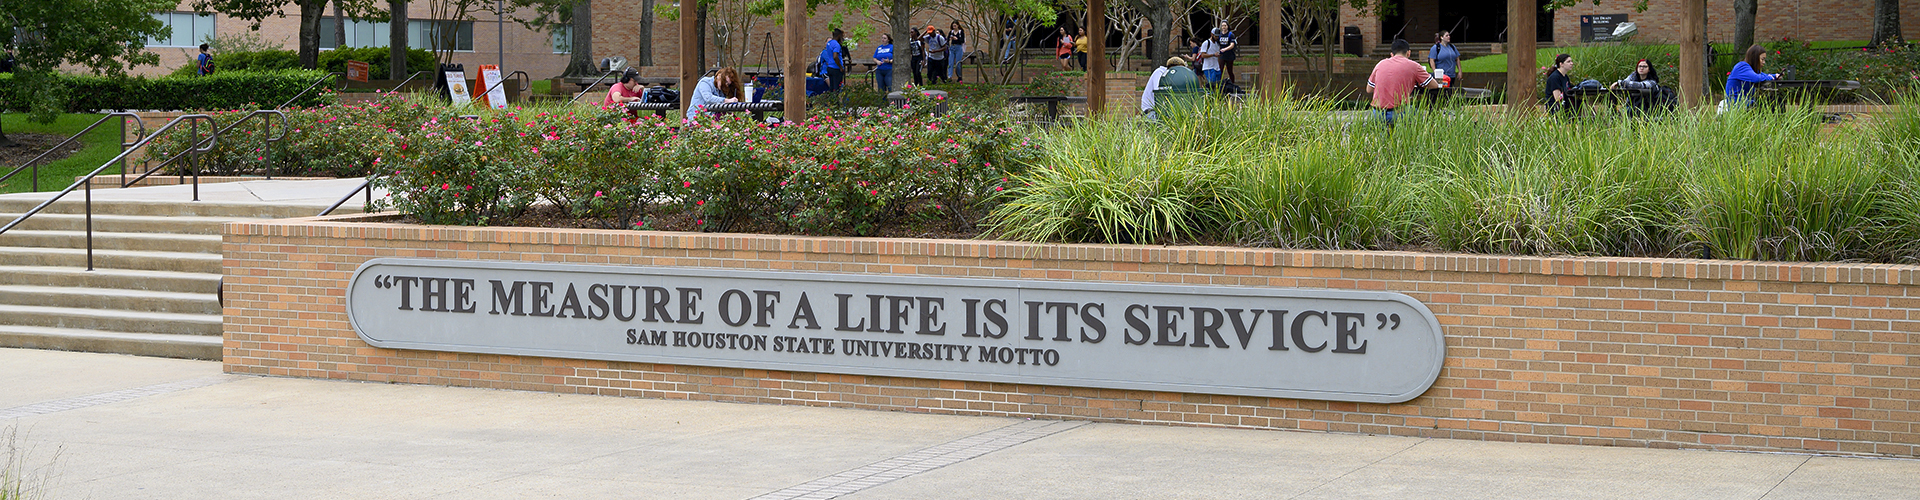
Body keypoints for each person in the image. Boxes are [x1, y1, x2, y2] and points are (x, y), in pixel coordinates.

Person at [1365, 39, 1440, 126]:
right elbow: (1434, 85)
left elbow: (1369, 89)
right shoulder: (1413, 66)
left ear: (1391, 54)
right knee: (1417, 113)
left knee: (1384, 137)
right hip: (1398, 112)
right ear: (1409, 53)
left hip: (1377, 112)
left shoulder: (1380, 64)